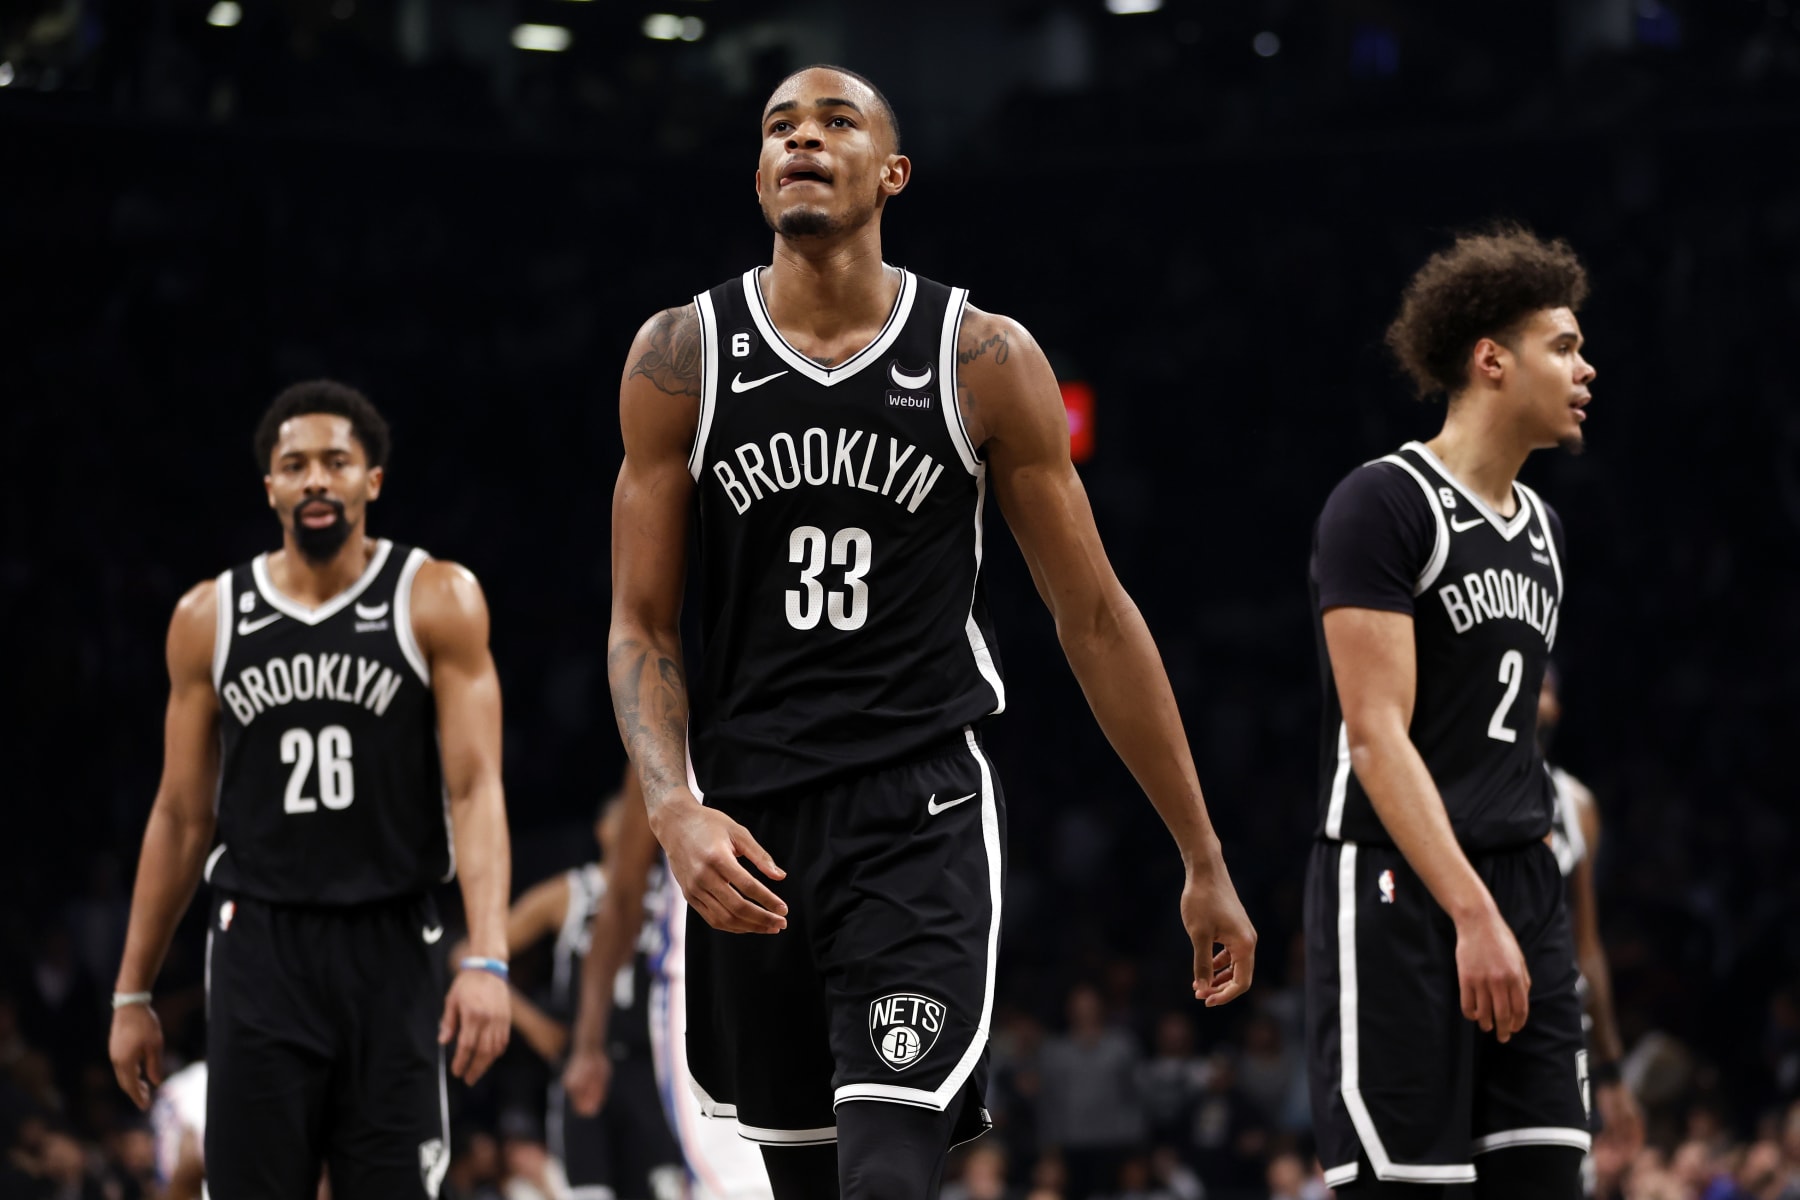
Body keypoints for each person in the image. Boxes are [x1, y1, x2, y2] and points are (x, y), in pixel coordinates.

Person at [602, 63, 1256, 1200]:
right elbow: (640, 623)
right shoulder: (681, 358)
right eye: (778, 128)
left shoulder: (981, 357)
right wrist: (672, 807)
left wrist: (1201, 855)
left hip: (918, 815)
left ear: (893, 171)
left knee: (890, 1179)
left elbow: (1094, 616)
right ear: (758, 173)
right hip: (751, 827)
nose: (802, 139)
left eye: (836, 122)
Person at [108, 380, 513, 1199]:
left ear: (373, 481)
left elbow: (475, 791)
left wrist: (489, 956)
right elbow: (182, 816)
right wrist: (132, 990)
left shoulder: (435, 596)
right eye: (295, 465)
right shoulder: (209, 617)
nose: (316, 479)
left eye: (337, 461)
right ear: (271, 489)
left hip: (393, 942)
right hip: (263, 943)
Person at [1305, 225, 1596, 1196]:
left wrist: (1514, 905)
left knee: (1550, 1177)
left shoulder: (1546, 531)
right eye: (1563, 346)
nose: (1583, 367)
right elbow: (1376, 736)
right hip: (1402, 891)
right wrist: (1471, 910)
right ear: (1491, 360)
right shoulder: (1383, 503)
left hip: (1525, 883)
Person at [565, 775, 775, 1200]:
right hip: (708, 988)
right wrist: (588, 1043)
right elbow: (622, 901)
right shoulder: (667, 736)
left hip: (816, 967)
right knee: (740, 1187)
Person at [485, 783, 683, 1200]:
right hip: (588, 1066)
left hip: (656, 1070)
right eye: (627, 820)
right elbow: (473, 954)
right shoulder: (571, 892)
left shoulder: (673, 890)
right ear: (603, 830)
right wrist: (533, 1022)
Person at [1536, 669, 1646, 1169]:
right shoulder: (1444, 783)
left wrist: (1613, 1070)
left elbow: (1588, 945)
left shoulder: (1576, 805)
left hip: (1558, 1026)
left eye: (1545, 686)